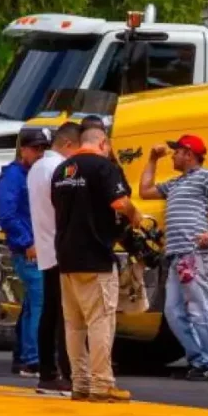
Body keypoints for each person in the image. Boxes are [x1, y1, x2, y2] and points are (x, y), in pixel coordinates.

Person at [52, 127, 143, 402]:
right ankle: (102, 384)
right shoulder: (103, 168)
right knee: (101, 320)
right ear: (104, 143)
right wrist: (134, 213)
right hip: (95, 257)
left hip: (66, 258)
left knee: (74, 325)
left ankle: (79, 382)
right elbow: (118, 201)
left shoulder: (62, 171)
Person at [139, 134, 208, 382]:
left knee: (199, 309)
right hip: (177, 255)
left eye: (177, 152)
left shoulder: (206, 176)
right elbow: (145, 190)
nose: (173, 156)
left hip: (194, 253)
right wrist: (152, 159)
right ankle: (199, 361)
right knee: (173, 311)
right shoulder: (175, 183)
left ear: (189, 154)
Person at [27, 121, 82, 396]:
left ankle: (48, 372)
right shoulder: (60, 169)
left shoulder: (37, 167)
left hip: (47, 247)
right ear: (69, 145)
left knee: (50, 313)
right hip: (61, 247)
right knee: (65, 316)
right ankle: (66, 373)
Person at [0, 127, 50, 378]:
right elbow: (6, 215)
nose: (40, 153)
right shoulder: (14, 177)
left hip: (36, 247)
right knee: (39, 303)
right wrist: (27, 241)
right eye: (35, 148)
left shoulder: (29, 174)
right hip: (29, 249)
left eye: (43, 148)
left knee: (32, 304)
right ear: (23, 149)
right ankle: (33, 359)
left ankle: (25, 356)